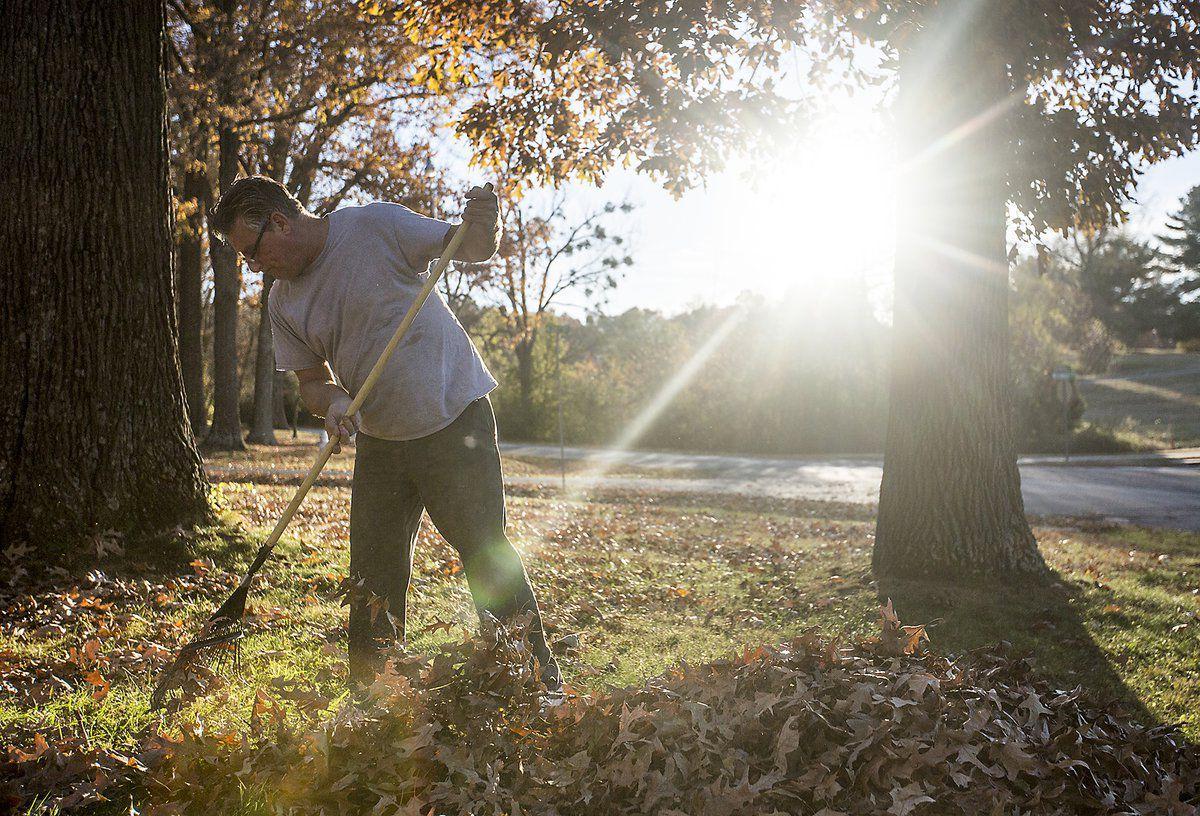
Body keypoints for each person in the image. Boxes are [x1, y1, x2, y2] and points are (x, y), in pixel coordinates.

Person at [209, 176, 561, 691]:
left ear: (279, 222)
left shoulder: (373, 226)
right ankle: (373, 695)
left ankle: (534, 680)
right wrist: (332, 404)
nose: (254, 267)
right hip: (380, 441)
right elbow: (311, 383)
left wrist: (484, 222)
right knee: (372, 572)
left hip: (453, 418)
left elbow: (469, 246)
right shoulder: (284, 303)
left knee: (483, 548)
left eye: (253, 253)